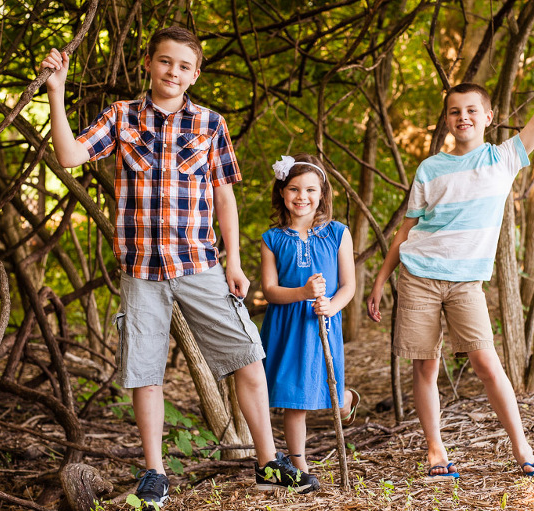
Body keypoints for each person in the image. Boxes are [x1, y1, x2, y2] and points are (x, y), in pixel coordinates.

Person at [40, 26, 319, 509]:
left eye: (185, 66)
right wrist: (56, 91)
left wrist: (234, 259)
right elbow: (68, 156)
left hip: (201, 265)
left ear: (195, 74)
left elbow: (224, 195)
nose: (174, 72)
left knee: (248, 359)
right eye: (166, 62)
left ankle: (269, 464)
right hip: (141, 272)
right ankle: (155, 474)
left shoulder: (211, 124)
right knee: (146, 373)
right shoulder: (122, 116)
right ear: (149, 62)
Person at [366, 7, 534, 479]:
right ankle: (436, 451)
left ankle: (523, 451)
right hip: (418, 277)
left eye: (470, 111)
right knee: (425, 368)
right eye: (454, 111)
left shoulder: (505, 158)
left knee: (487, 364)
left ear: (488, 116)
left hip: (466, 284)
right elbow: (407, 230)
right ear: (446, 119)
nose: (462, 117)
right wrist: (381, 279)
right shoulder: (430, 168)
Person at [259, 153, 359, 477]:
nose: (302, 197)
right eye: (294, 189)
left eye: (310, 190)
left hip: (322, 322)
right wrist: (301, 293)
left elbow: (349, 285)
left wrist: (332, 305)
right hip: (286, 325)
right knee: (293, 398)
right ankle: (299, 464)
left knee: (331, 392)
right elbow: (270, 290)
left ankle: (346, 399)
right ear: (282, 193)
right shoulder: (271, 240)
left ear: (322, 194)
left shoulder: (338, 233)